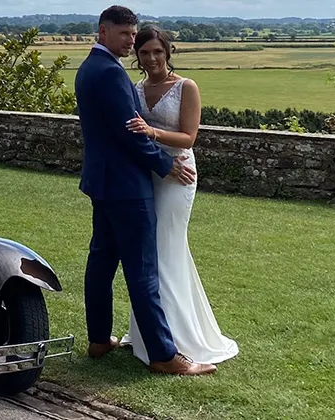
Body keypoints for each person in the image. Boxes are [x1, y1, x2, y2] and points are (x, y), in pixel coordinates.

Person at [74, 5, 214, 376]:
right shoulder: (109, 73)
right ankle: (164, 355)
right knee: (143, 270)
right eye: (125, 35)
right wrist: (166, 165)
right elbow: (129, 133)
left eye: (133, 35)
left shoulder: (89, 68)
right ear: (103, 32)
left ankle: (99, 339)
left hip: (103, 181)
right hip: (127, 186)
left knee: (101, 261)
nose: (131, 42)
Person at [118, 25, 241, 366]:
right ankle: (148, 332)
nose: (152, 58)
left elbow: (188, 137)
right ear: (137, 56)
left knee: (164, 247)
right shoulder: (136, 89)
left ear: (168, 52)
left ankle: (176, 338)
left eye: (158, 51)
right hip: (149, 175)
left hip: (178, 174)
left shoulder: (186, 87)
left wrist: (151, 130)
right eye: (145, 52)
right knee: (149, 250)